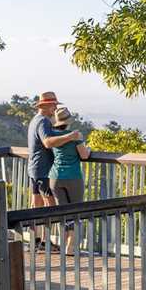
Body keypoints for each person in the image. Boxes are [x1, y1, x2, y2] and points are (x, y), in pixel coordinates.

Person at [27, 91, 81, 249]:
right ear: (46, 106)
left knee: (35, 204)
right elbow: (48, 142)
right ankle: (45, 241)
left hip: (33, 168)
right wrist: (70, 137)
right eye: (53, 105)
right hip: (44, 169)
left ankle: (35, 240)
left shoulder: (34, 120)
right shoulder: (43, 122)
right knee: (49, 205)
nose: (55, 108)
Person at [48, 106, 91, 254]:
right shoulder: (75, 136)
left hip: (55, 177)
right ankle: (71, 246)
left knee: (63, 212)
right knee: (76, 212)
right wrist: (88, 149)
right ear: (68, 121)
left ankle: (63, 242)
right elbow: (84, 155)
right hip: (73, 177)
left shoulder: (53, 136)